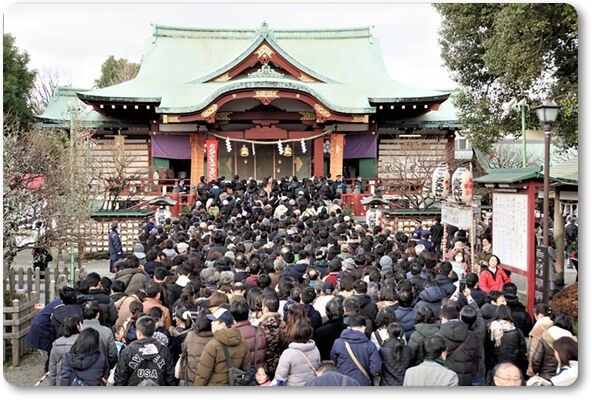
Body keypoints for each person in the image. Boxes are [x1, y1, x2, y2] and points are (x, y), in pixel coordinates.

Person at [194, 308, 250, 386]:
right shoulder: (243, 343)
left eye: (214, 321)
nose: (211, 323)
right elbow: (246, 369)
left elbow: (202, 375)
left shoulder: (213, 345)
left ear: (222, 324)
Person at [115, 316, 176, 386]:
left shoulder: (128, 351)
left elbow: (120, 378)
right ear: (153, 331)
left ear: (138, 332)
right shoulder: (164, 350)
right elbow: (170, 378)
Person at [330, 315, 382, 386]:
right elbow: (375, 368)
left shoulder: (338, 342)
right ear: (363, 328)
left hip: (343, 382)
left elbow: (333, 361)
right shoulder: (370, 345)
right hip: (362, 383)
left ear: (348, 327)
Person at [274, 319, 320, 386]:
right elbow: (318, 367)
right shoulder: (315, 349)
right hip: (311, 385)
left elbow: (280, 377)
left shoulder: (288, 353)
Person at [230, 299, 267, 375]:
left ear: (233, 316)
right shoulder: (259, 330)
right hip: (258, 373)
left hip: (239, 375)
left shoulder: (230, 334)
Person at [80, 300, 118, 369]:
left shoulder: (78, 331)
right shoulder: (107, 331)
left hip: (81, 370)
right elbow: (113, 355)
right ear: (98, 315)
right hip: (102, 370)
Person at [48, 315, 82, 386]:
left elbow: (52, 370)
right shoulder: (82, 343)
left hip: (61, 382)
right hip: (78, 382)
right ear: (77, 326)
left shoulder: (56, 345)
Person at [526, 303, 554, 377]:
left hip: (541, 369)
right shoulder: (553, 324)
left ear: (539, 315)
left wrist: (531, 370)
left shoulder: (538, 327)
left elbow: (533, 351)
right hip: (552, 365)